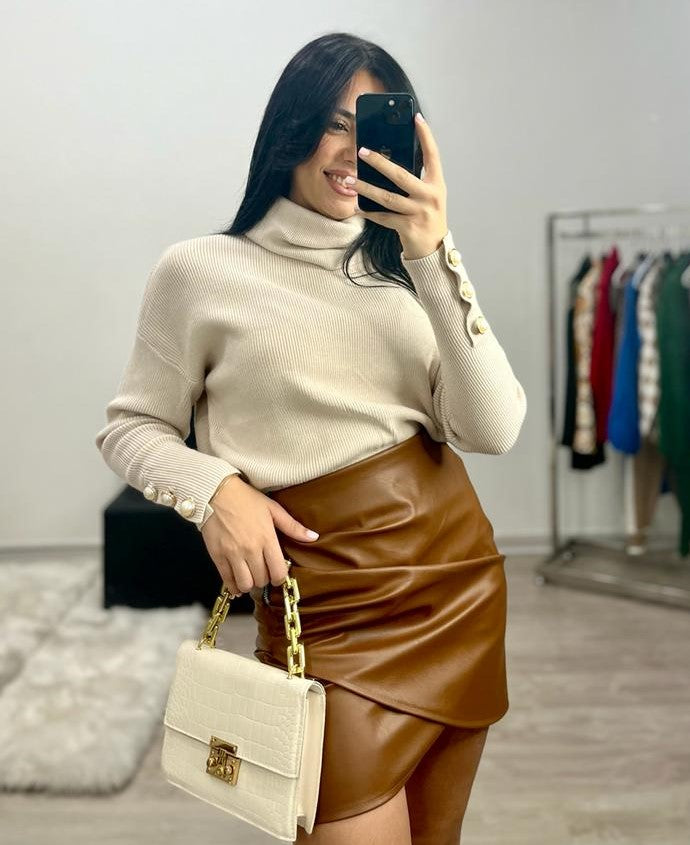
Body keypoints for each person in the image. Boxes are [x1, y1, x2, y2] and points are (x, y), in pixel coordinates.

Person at [95, 31, 527, 845]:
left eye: (372, 130)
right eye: (334, 124)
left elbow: (493, 427)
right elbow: (131, 428)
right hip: (324, 615)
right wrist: (215, 491)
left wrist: (434, 252)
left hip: (455, 590)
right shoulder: (199, 270)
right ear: (289, 130)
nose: (352, 153)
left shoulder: (408, 272)